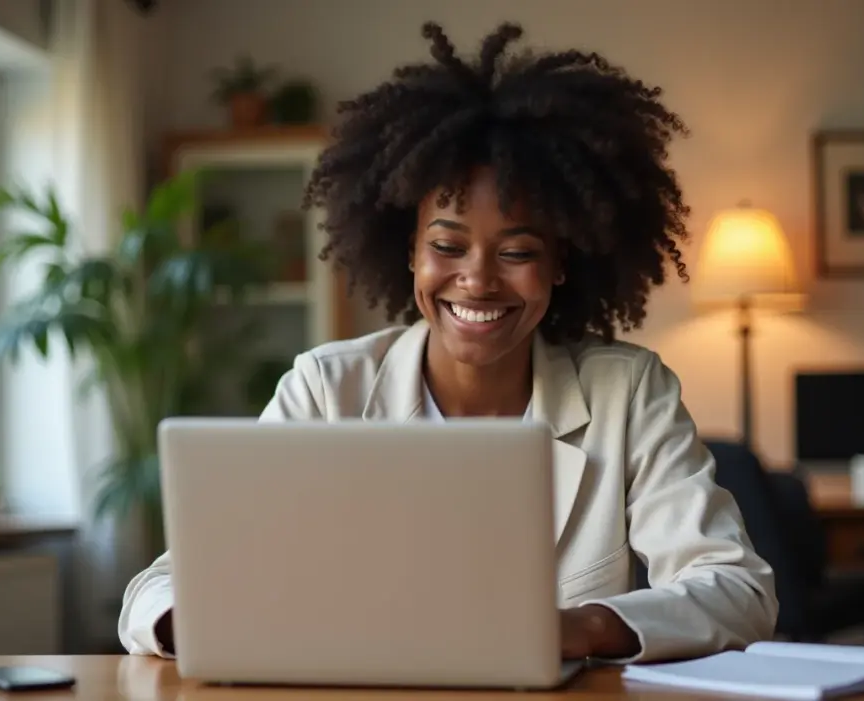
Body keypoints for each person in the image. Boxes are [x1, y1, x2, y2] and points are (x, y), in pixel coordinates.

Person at [119, 20, 777, 663]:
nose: (478, 279)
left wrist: (581, 627)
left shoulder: (628, 392)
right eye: (446, 245)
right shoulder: (327, 389)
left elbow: (738, 588)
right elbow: (157, 589)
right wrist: (207, 620)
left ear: (561, 263)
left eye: (518, 250)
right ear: (408, 250)